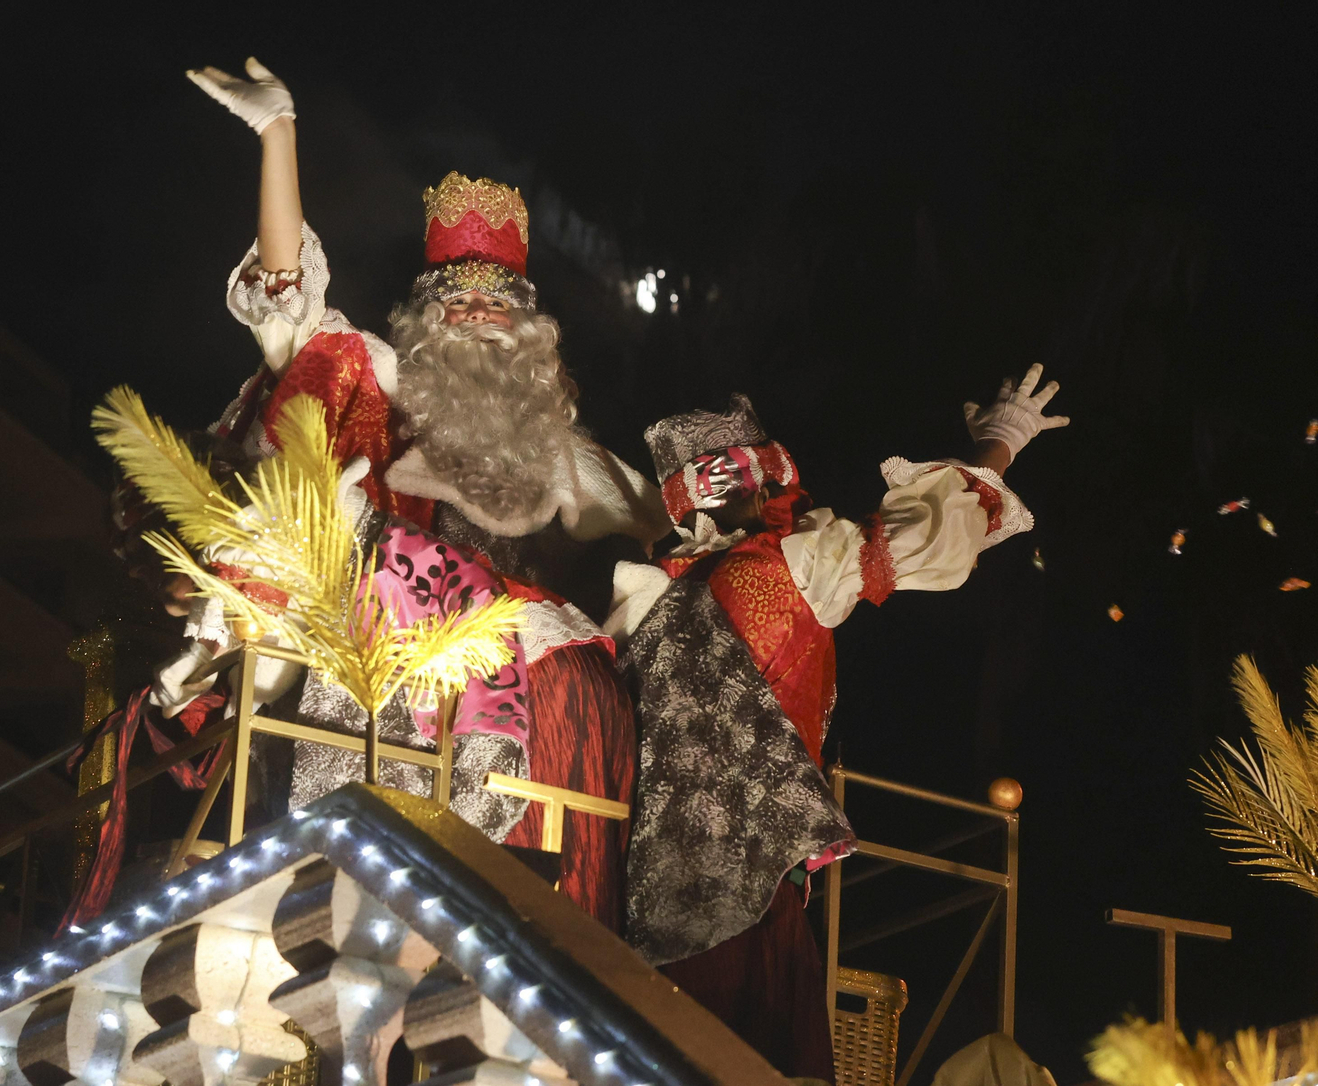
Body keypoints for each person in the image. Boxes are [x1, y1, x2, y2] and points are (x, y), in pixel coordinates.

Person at [167, 58, 670, 930]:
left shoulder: (566, 456)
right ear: (424, 322)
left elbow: (678, 525)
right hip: (403, 662)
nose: (477, 316)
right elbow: (291, 311)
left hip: (544, 685)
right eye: (455, 303)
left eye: (497, 305)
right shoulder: (389, 389)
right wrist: (279, 135)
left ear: (530, 332)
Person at [608, 372, 1068, 1076]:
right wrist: (997, 447)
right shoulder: (787, 566)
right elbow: (927, 536)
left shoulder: (640, 602)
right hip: (756, 882)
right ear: (763, 484)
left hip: (638, 892)